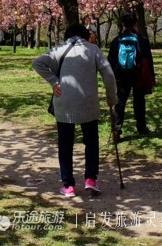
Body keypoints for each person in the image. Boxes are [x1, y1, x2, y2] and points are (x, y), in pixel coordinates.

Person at [33, 24, 117, 197]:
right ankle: (91, 179)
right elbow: (108, 74)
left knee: (65, 145)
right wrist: (111, 98)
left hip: (64, 102)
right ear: (85, 35)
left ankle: (68, 185)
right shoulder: (93, 50)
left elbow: (37, 63)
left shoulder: (60, 48)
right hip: (89, 103)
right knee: (91, 142)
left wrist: (54, 81)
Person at [108, 13, 155, 137]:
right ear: (136, 24)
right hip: (138, 75)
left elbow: (111, 60)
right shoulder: (142, 39)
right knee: (139, 101)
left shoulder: (117, 40)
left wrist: (112, 77)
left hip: (120, 76)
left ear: (123, 25)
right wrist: (152, 78)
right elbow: (148, 60)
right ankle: (141, 127)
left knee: (120, 101)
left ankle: (116, 129)